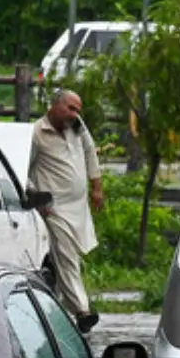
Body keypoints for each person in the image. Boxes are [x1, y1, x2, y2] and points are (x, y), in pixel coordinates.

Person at [28, 89, 104, 333]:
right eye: (70, 108)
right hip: (55, 206)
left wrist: (96, 188)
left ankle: (53, 310)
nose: (74, 114)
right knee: (66, 254)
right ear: (56, 105)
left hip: (78, 206)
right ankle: (82, 311)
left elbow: (90, 152)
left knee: (67, 257)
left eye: (77, 110)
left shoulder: (77, 127)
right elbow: (24, 170)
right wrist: (37, 197)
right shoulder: (37, 132)